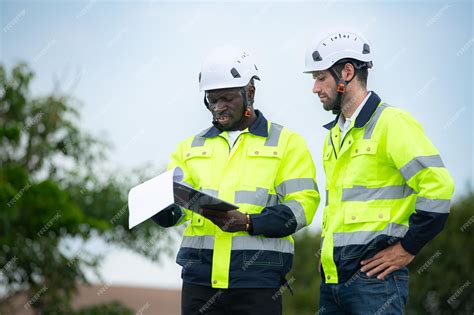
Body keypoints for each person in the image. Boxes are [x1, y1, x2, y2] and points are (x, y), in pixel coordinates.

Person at [152, 45, 320, 315]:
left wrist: (251, 222)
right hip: (199, 283)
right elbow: (178, 209)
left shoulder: (288, 144)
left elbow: (304, 207)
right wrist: (161, 211)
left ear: (250, 92)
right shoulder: (189, 148)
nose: (218, 108)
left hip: (258, 284)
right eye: (211, 100)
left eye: (227, 99)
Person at [303, 31, 454, 313]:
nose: (314, 88)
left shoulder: (392, 123)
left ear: (346, 72)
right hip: (331, 282)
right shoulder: (333, 135)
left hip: (375, 283)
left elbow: (439, 188)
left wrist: (407, 248)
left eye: (320, 77)